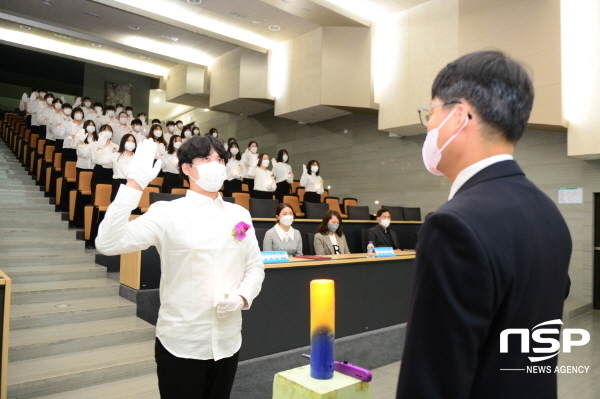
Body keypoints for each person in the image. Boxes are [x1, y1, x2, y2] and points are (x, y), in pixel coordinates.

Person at [395, 51, 572, 399]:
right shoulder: (549, 214)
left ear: (459, 116)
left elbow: (432, 380)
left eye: (431, 113)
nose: (428, 127)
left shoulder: (454, 226)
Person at [95, 135, 265, 398]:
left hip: (228, 341)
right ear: (187, 168)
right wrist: (133, 186)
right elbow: (107, 243)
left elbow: (255, 266)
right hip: (181, 342)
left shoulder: (239, 215)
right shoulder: (166, 212)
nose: (216, 165)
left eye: (220, 159)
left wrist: (243, 296)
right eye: (206, 159)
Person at [107, 134, 137, 202]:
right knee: (116, 208)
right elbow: (99, 160)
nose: (131, 143)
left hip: (133, 185)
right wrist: (100, 147)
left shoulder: (137, 157)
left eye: (133, 141)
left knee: (130, 208)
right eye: (128, 140)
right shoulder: (116, 155)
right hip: (119, 184)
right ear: (123, 142)